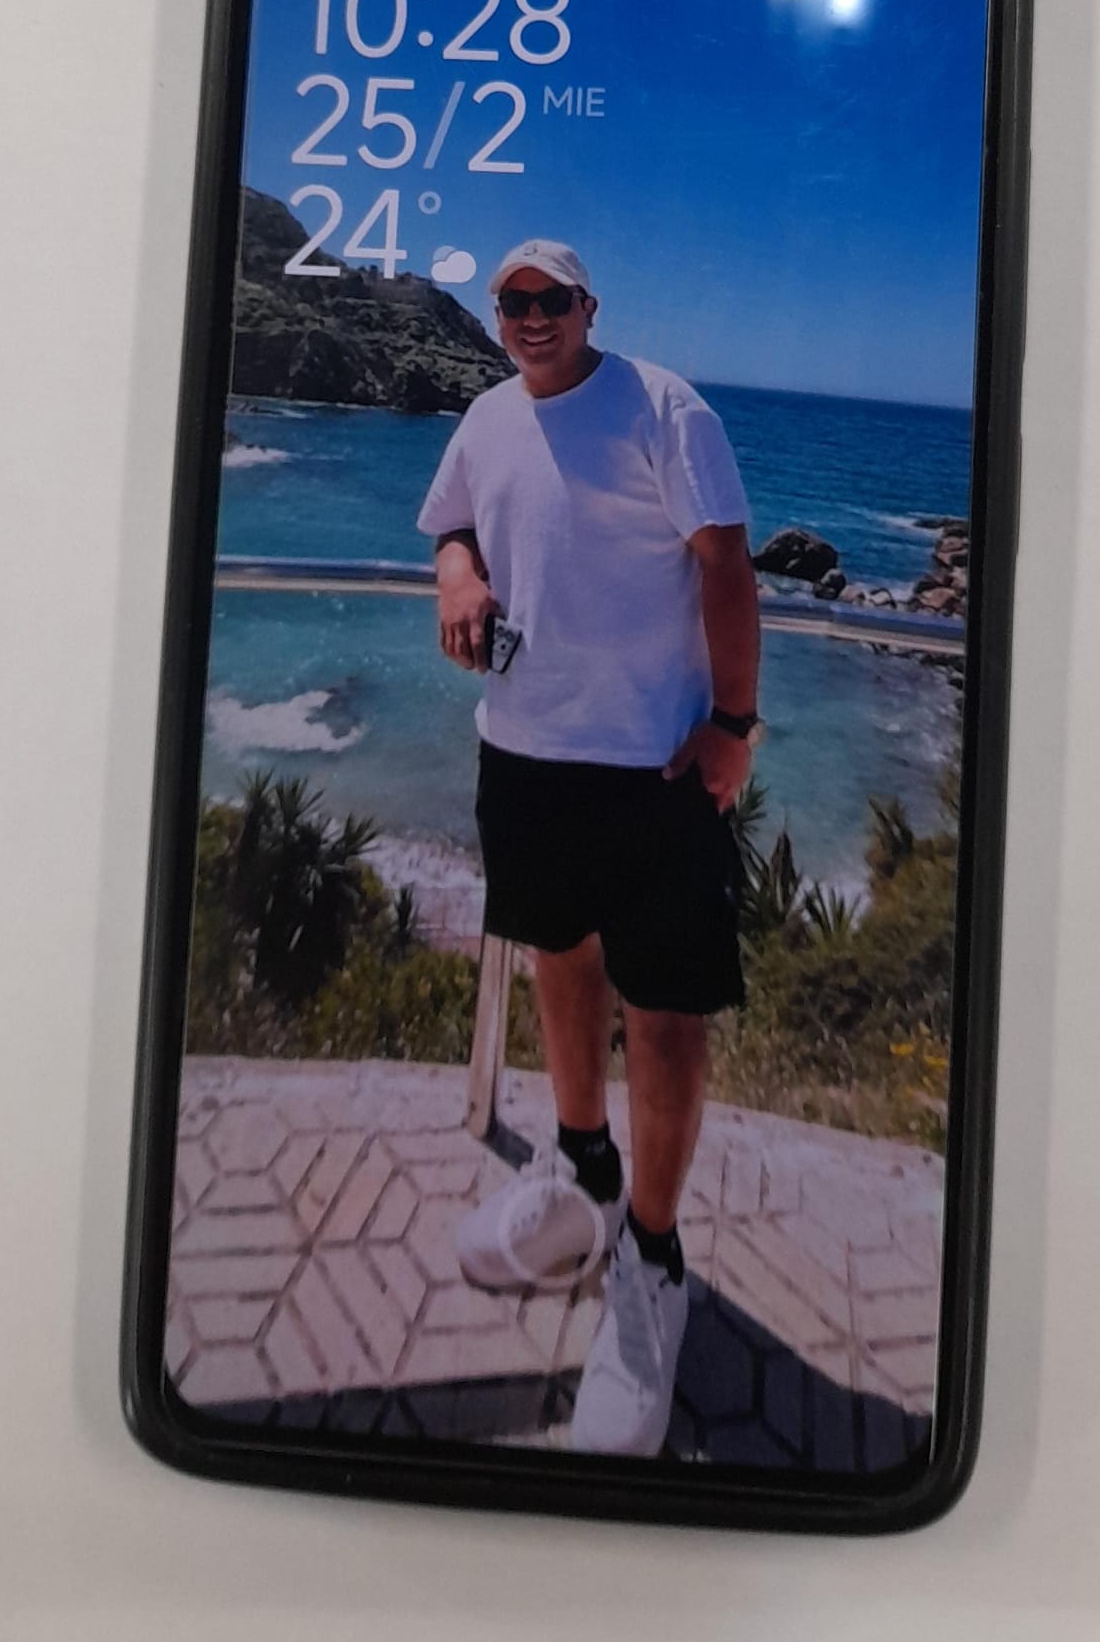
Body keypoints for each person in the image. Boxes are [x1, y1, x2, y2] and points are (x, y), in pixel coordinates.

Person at [415, 238, 763, 1456]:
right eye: (511, 301)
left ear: (587, 306)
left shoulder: (664, 406)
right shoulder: (486, 415)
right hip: (524, 755)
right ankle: (582, 1177)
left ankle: (651, 1262)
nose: (530, 316)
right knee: (557, 954)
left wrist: (732, 725)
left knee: (663, 1012)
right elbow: (453, 523)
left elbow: (727, 562)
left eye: (549, 298)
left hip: (655, 768)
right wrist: (456, 577)